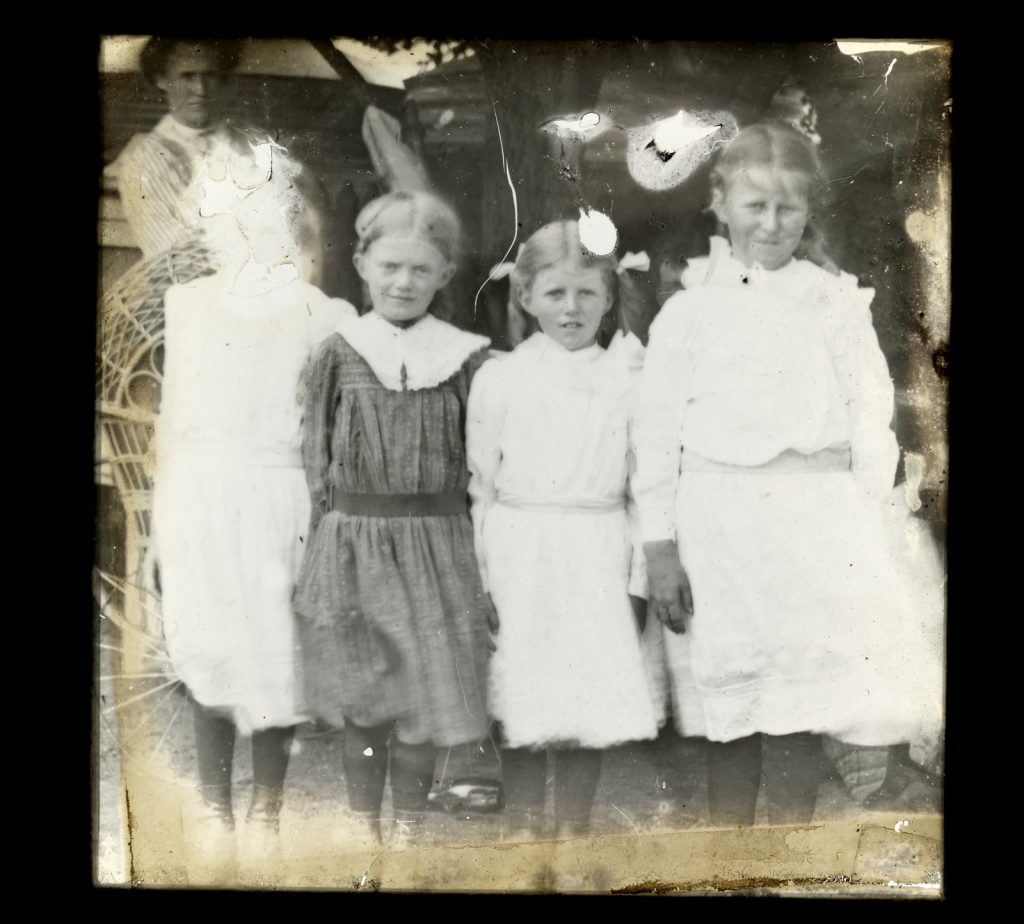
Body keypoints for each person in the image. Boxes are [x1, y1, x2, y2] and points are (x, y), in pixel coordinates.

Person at [633, 122, 943, 828]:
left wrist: (873, 524)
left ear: (808, 212)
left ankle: (790, 853)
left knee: (804, 703)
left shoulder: (834, 303)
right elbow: (653, 436)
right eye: (755, 206)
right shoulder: (688, 310)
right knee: (732, 706)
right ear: (720, 202)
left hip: (815, 520)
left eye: (787, 208)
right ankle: (729, 862)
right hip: (720, 523)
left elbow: (870, 420)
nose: (771, 224)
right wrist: (659, 545)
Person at [151, 138, 357, 881]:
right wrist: (157, 527)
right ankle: (214, 808)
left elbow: (332, 430)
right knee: (208, 651)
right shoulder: (188, 304)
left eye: (259, 216)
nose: (243, 234)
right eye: (226, 219)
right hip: (200, 492)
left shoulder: (318, 313)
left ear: (284, 220)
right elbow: (173, 420)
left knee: (275, 658)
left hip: (281, 495)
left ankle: (266, 810)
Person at [294, 190, 494, 848]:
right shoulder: (339, 351)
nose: (403, 282)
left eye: (420, 269)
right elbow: (315, 455)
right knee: (364, 698)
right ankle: (363, 831)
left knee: (421, 699)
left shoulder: (468, 359)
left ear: (444, 274)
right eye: (390, 267)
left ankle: (408, 825)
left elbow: (485, 463)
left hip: (438, 543)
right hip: (352, 542)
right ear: (362, 265)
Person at [467, 221, 666, 840]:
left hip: (598, 548)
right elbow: (481, 488)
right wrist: (482, 579)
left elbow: (642, 487)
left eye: (586, 293)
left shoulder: (632, 380)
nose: (571, 308)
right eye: (554, 294)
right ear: (525, 297)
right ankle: (526, 831)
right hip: (519, 550)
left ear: (609, 295)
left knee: (588, 697)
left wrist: (635, 582)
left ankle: (574, 830)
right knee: (523, 694)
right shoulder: (501, 377)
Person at [108, 37, 243, 259]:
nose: (200, 89)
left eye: (209, 75)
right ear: (162, 80)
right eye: (187, 76)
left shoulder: (246, 143)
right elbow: (177, 260)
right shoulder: (146, 160)